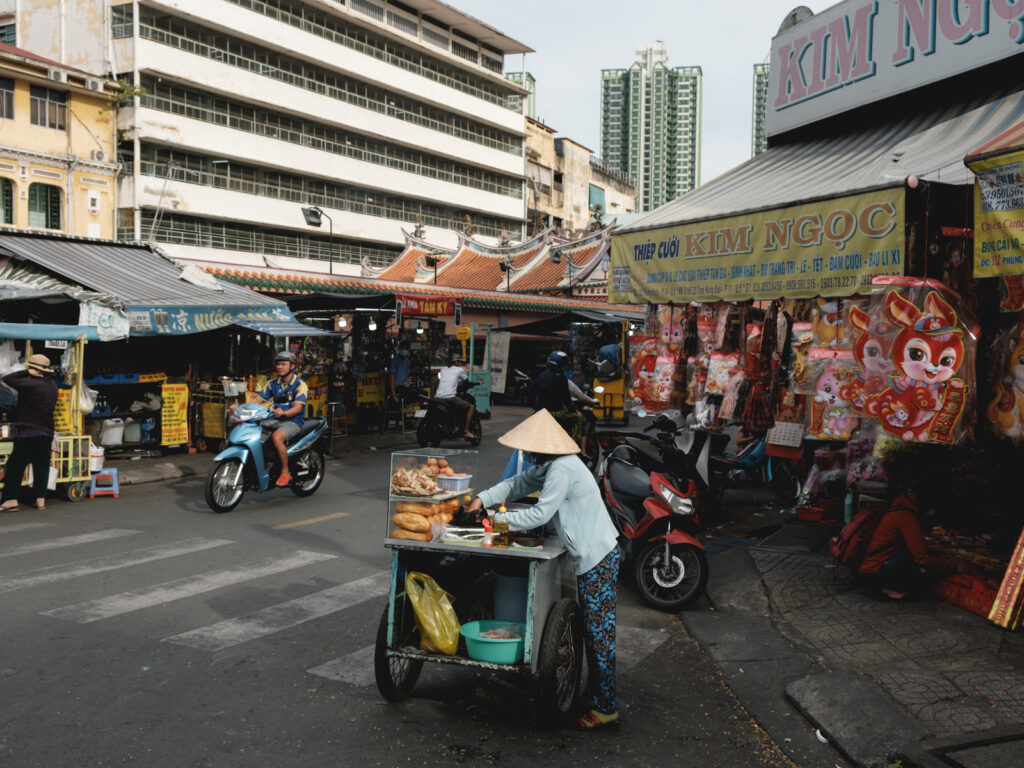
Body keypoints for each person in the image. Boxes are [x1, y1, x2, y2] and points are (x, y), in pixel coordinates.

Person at [465, 409, 622, 729]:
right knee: (594, 632)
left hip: (598, 556)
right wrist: (482, 499)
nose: (530, 453)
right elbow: (517, 484)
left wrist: (494, 520)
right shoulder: (553, 464)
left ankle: (607, 707)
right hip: (593, 555)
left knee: (599, 634)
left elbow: (539, 514)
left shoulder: (563, 468)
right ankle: (596, 692)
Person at [231, 350, 308, 487]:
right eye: (278, 364)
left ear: (292, 366)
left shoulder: (299, 384)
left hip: (293, 421)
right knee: (254, 433)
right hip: (273, 418)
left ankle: (285, 472)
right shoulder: (272, 383)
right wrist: (239, 408)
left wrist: (284, 413)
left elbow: (298, 408)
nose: (279, 367)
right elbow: (257, 401)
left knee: (277, 437)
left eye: (283, 364)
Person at [857, 489, 949, 600]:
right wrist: (950, 564)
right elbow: (921, 558)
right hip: (874, 572)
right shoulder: (907, 517)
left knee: (910, 555)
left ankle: (885, 587)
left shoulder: (898, 510)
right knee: (909, 556)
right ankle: (886, 588)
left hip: (868, 569)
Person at [1, 354, 58, 511]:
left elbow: (8, 379)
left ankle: (10, 500)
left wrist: (26, 372)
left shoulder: (30, 384)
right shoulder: (52, 385)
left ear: (35, 370)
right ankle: (40, 500)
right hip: (46, 432)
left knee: (15, 465)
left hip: (28, 432)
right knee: (41, 466)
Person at [528, 351, 588, 442]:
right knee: (578, 420)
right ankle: (572, 445)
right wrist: (575, 412)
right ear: (561, 365)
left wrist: (536, 408)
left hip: (538, 413)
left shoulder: (542, 375)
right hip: (555, 414)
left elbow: (529, 393)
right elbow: (566, 400)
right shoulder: (561, 378)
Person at [435, 354, 475, 439]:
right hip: (450, 398)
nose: (461, 364)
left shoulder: (443, 369)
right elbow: (466, 381)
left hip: (437, 397)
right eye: (460, 362)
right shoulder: (459, 370)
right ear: (456, 362)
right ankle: (466, 431)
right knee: (471, 407)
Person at [388, 340, 418, 406]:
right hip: (398, 387)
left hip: (405, 387)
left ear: (408, 350)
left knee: (422, 393)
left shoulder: (407, 361)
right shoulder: (395, 361)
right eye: (403, 348)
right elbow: (391, 380)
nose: (405, 350)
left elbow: (406, 376)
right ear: (400, 349)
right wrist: (394, 396)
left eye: (406, 349)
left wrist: (409, 383)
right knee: (414, 394)